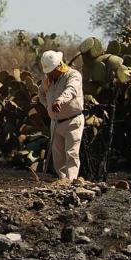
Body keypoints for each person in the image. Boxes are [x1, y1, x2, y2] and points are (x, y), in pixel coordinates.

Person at [38, 50, 84, 183]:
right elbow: (41, 93)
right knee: (57, 155)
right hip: (55, 122)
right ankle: (62, 180)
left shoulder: (73, 75)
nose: (49, 74)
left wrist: (59, 100)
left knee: (72, 153)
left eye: (51, 71)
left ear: (59, 66)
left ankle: (71, 181)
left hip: (72, 121)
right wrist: (48, 105)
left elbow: (72, 90)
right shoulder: (47, 79)